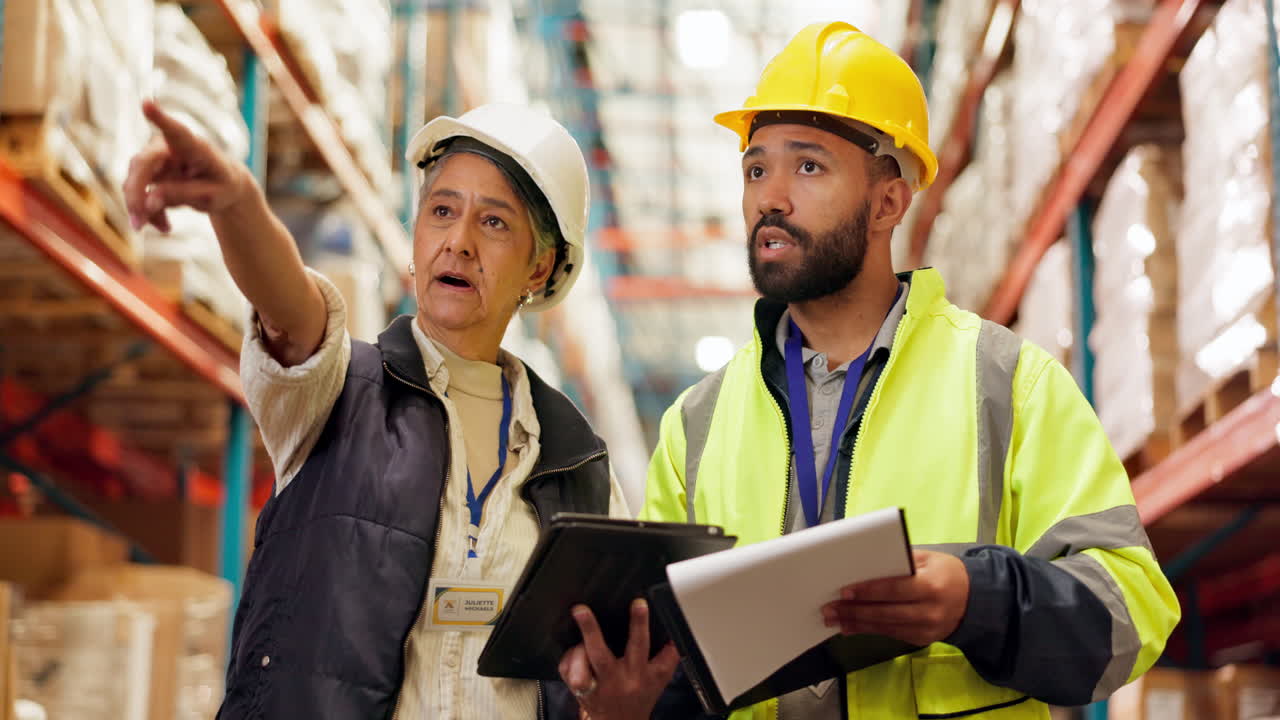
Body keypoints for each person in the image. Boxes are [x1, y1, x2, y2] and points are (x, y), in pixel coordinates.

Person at [637, 21, 1181, 719]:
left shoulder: (1006, 383)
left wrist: (974, 600)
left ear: (888, 202)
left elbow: (1131, 612)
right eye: (755, 168)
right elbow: (668, 656)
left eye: (807, 166)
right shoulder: (696, 425)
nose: (770, 196)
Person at [124, 101, 677, 719]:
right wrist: (236, 204)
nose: (459, 243)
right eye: (442, 211)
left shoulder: (579, 467)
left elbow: (598, 676)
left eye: (494, 223)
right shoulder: (340, 391)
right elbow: (289, 303)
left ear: (540, 266)